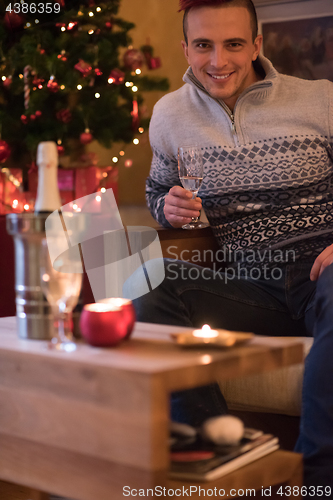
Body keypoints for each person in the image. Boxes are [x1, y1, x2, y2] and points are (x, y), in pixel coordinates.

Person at [130, 0, 333, 489]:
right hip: (245, 285)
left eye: (233, 44)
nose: (218, 61)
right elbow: (158, 190)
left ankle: (314, 477)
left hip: (321, 274)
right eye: (203, 45)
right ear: (186, 49)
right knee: (143, 278)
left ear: (257, 45)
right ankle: (223, 456)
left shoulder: (321, 99)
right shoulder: (170, 114)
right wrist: (167, 208)